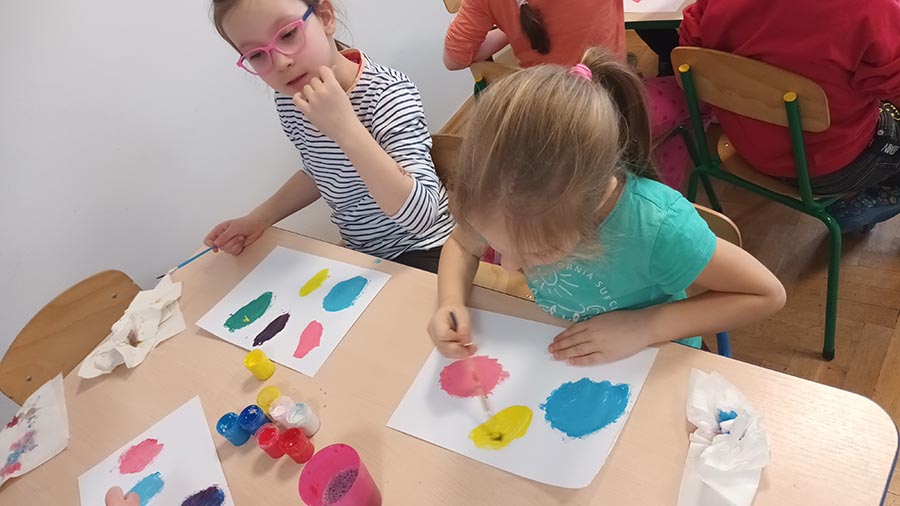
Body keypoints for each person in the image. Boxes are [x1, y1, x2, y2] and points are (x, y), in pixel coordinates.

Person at [427, 48, 786, 364]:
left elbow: (766, 294)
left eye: (536, 251)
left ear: (592, 203)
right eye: (501, 247)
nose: (509, 265)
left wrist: (644, 326)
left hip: (654, 355)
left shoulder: (657, 226)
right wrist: (449, 301)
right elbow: (462, 244)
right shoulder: (500, 198)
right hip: (566, 344)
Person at [204, 0, 454, 272]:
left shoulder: (387, 94)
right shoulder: (289, 100)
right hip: (365, 254)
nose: (281, 62)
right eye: (256, 55)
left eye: (288, 34)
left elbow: (422, 217)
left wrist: (345, 128)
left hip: (427, 248)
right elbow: (319, 172)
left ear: (325, 17)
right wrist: (258, 219)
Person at [680, 0, 900, 232]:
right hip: (831, 168)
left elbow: (689, 49)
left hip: (747, 146)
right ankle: (858, 207)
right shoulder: (874, 8)